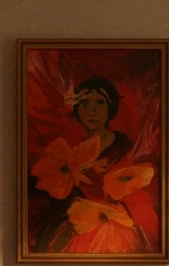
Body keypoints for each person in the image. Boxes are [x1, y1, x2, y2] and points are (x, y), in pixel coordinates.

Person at [28, 75, 157, 255]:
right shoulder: (68, 146)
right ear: (77, 109)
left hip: (113, 226)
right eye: (85, 104)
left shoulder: (124, 148)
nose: (92, 111)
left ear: (110, 107)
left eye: (100, 103)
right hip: (70, 222)